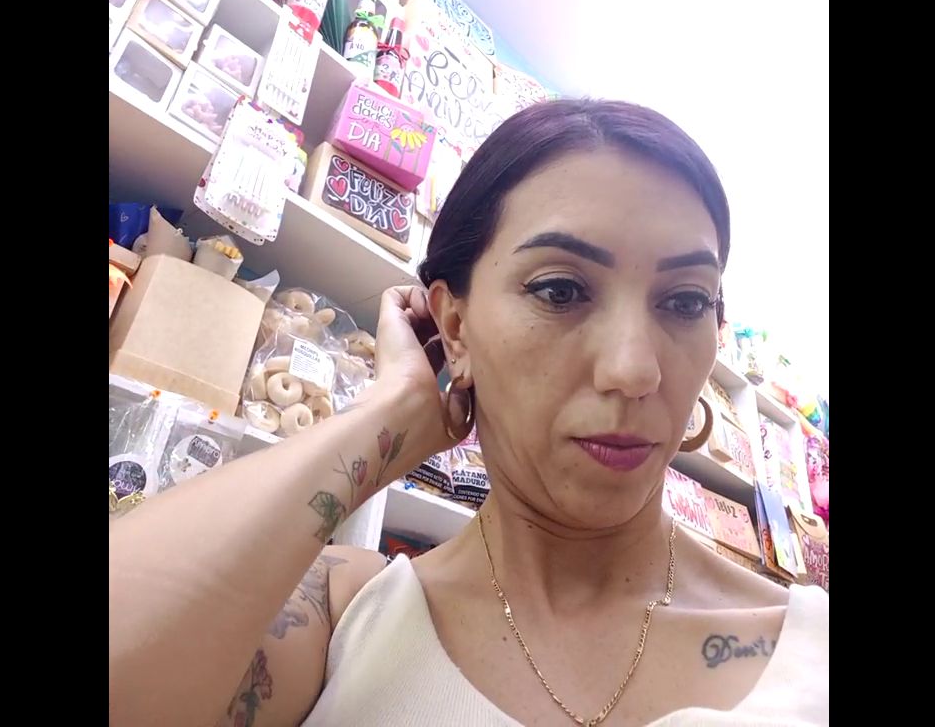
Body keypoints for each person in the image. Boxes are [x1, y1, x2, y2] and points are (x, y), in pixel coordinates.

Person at [109, 99, 829, 727]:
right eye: (559, 290)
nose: (635, 370)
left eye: (686, 301)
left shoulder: (810, 654)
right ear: (455, 326)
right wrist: (390, 413)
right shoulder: (340, 615)